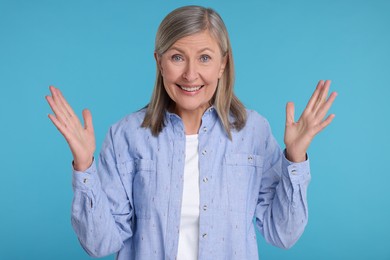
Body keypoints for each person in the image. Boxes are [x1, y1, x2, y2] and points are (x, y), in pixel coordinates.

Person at [46, 5, 337, 260]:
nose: (190, 74)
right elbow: (99, 244)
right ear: (159, 62)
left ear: (223, 64)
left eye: (205, 58)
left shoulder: (254, 132)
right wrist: (84, 166)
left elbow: (282, 234)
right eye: (177, 57)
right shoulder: (126, 136)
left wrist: (295, 158)